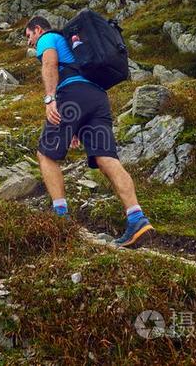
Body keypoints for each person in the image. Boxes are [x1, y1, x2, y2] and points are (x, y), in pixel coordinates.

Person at [24, 15, 154, 248]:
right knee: (106, 158)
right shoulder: (72, 43)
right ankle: (137, 218)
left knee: (46, 155)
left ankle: (60, 217)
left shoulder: (48, 38)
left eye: (29, 36)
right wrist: (76, 125)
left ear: (37, 29)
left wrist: (50, 98)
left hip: (71, 95)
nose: (29, 42)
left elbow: (50, 63)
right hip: (97, 99)